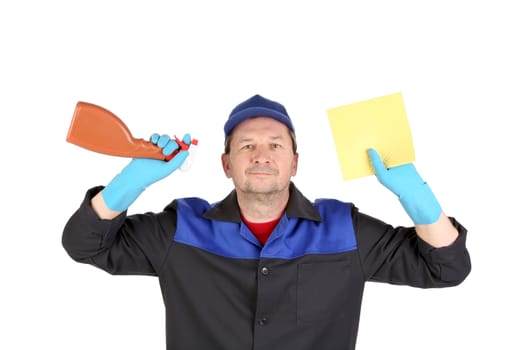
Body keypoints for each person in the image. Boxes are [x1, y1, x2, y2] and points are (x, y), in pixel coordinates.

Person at [62, 94, 471, 350]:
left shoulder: (343, 229)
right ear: (227, 164)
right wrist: (128, 183)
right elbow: (84, 244)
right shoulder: (182, 228)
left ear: (294, 163)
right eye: (246, 146)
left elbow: (447, 267)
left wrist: (415, 194)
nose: (261, 155)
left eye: (276, 145)